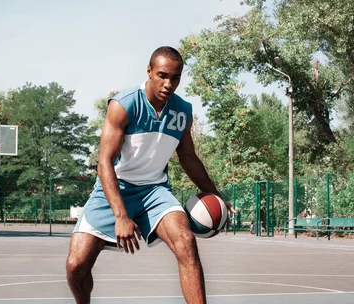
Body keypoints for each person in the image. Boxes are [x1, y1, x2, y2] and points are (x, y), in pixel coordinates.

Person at [66, 46, 233, 304]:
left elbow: (188, 158)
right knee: (76, 265)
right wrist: (121, 216)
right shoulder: (124, 104)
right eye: (162, 75)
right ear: (149, 71)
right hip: (114, 188)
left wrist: (216, 195)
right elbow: (104, 162)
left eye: (175, 78)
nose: (168, 84)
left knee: (185, 242)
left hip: (155, 191)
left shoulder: (182, 111)